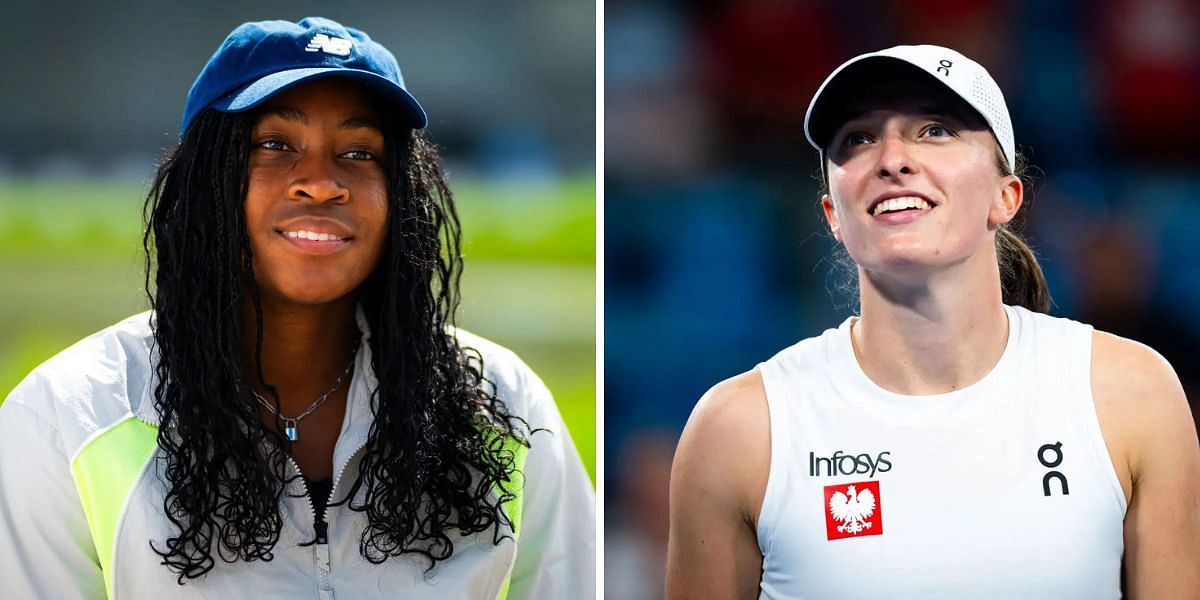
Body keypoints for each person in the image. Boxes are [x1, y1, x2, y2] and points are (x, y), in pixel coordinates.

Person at [0, 17, 594, 599]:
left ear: (400, 196)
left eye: (359, 153)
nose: (320, 182)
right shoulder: (71, 414)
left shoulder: (505, 406)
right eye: (275, 145)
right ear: (205, 177)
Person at [666, 44, 1200, 598]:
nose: (892, 159)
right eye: (859, 138)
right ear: (833, 216)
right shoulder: (738, 430)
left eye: (935, 130)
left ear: (1006, 195)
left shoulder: (1132, 394)